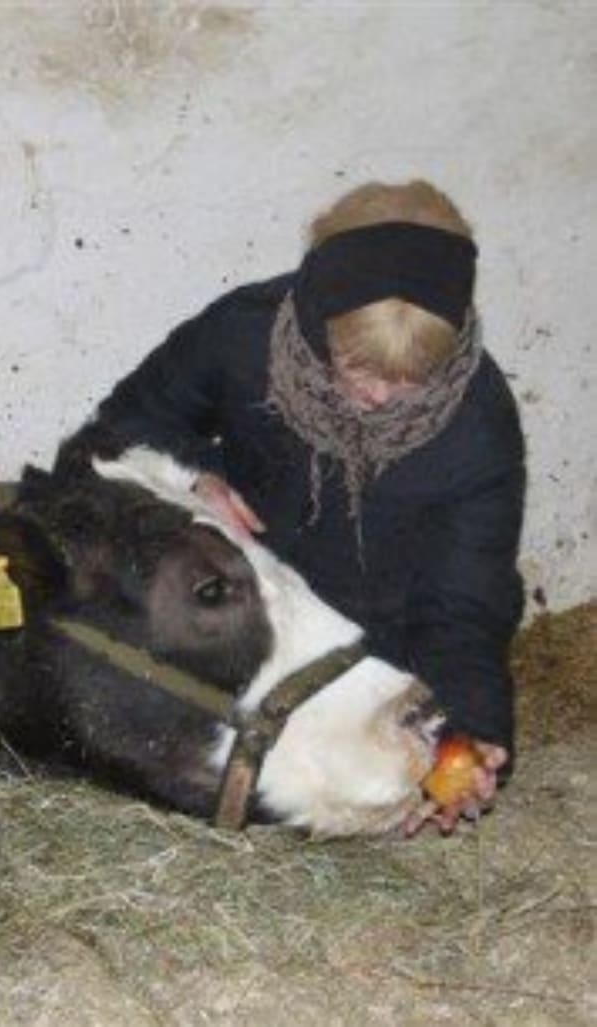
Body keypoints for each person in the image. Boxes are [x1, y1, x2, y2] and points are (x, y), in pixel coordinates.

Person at [77, 180, 525, 835]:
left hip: (378, 651)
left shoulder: (476, 427)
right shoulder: (242, 336)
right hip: (251, 625)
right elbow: (120, 426)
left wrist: (470, 732)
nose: (376, 399)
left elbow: (463, 605)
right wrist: (191, 477)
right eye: (357, 368)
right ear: (317, 318)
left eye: (408, 383)